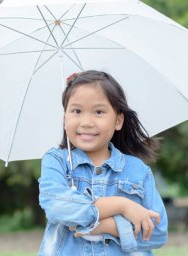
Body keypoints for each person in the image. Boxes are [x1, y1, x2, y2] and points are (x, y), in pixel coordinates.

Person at [38, 70, 168, 255]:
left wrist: (108, 226)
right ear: (64, 118)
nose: (86, 122)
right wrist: (123, 205)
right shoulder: (57, 161)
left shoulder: (137, 171)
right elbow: (56, 206)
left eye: (98, 112)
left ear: (118, 120)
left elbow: (158, 232)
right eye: (76, 111)